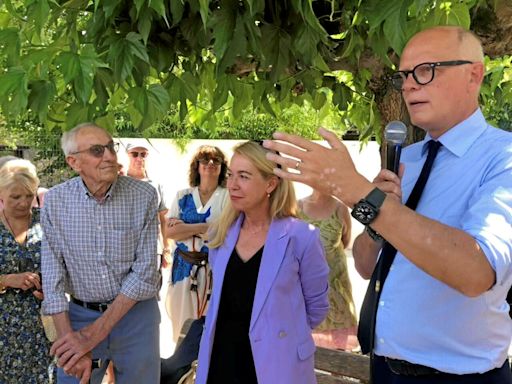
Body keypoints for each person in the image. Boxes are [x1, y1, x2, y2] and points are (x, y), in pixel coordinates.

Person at [263, 26, 512, 383]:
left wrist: (357, 192)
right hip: (384, 368)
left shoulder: (503, 157)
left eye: (425, 71)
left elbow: (477, 272)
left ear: (474, 74)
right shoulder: (407, 158)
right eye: (403, 77)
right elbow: (366, 266)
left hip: (459, 377)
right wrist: (377, 213)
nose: (409, 85)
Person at [196, 141, 329, 384]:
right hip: (222, 360)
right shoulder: (222, 234)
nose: (232, 185)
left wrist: (278, 331)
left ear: (271, 183)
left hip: (276, 365)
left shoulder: (301, 237)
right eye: (231, 175)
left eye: (244, 176)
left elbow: (316, 309)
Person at [41, 123, 161, 384]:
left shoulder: (144, 195)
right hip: (79, 316)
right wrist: (70, 341)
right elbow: (51, 280)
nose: (109, 156)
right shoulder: (55, 201)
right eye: (97, 150)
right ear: (74, 162)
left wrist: (92, 336)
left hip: (136, 316)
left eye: (110, 147)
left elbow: (145, 275)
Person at [164, 145, 228, 342]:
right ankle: (183, 371)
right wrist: (204, 227)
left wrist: (187, 226)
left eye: (216, 160)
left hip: (213, 271)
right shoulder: (182, 196)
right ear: (197, 166)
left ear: (222, 167)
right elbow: (170, 231)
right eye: (205, 160)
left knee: (210, 328)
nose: (210, 164)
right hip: (182, 270)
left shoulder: (228, 197)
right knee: (181, 328)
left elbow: (222, 232)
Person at [0, 158, 53, 383]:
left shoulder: (48, 222)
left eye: (29, 195)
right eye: (15, 197)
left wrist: (50, 285)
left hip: (41, 324)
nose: (24, 203)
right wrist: (6, 280)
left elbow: (66, 265)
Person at [298, 189, 358, 351]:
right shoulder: (298, 207)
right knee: (308, 353)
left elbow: (345, 242)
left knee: (340, 356)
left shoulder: (340, 208)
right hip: (308, 291)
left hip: (337, 290)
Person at [125, 142, 170, 265]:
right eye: (135, 154)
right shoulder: (119, 184)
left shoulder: (156, 186)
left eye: (143, 154)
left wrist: (166, 249)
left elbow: (164, 218)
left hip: (152, 249)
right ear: (128, 155)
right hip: (124, 251)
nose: (139, 158)